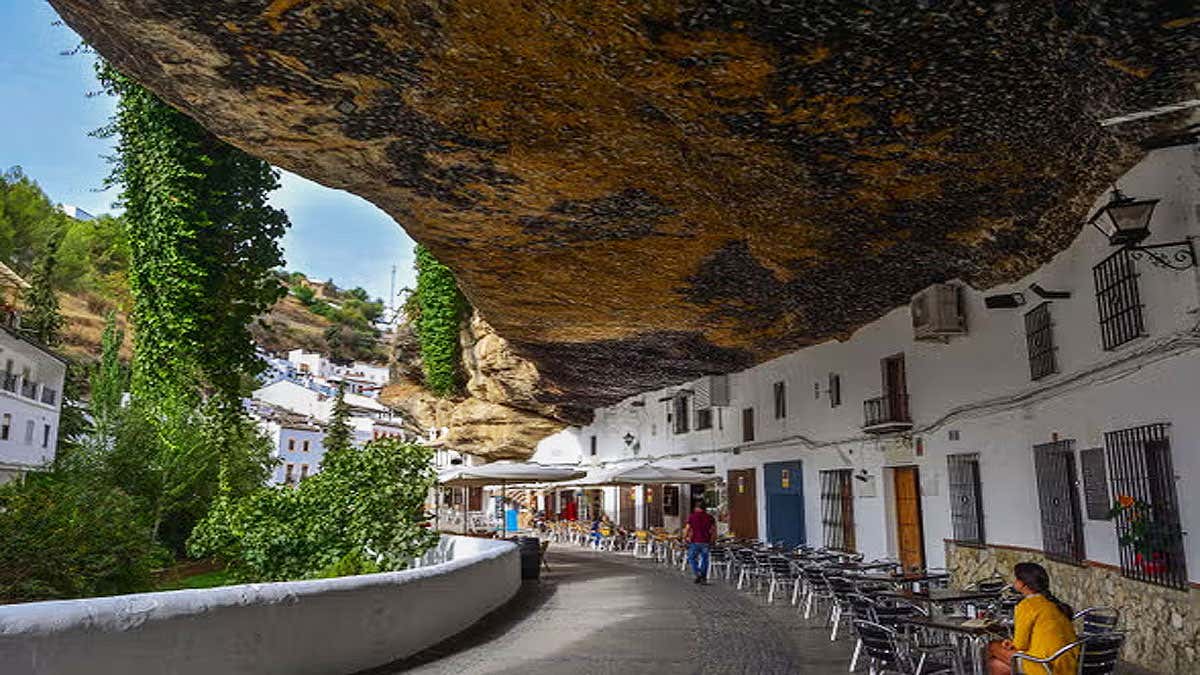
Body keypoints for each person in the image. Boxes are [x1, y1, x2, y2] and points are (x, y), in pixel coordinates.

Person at [987, 562, 1078, 675]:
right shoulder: (1054, 603)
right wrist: (1011, 643)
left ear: (1023, 584)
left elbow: (1021, 645)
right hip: (1068, 664)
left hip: (1044, 664)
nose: (1014, 581)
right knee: (996, 664)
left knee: (992, 646)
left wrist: (1012, 643)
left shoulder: (1027, 605)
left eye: (1016, 579)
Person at [683, 502, 716, 584]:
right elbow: (713, 530)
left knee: (691, 558)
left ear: (696, 508)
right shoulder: (710, 517)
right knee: (705, 559)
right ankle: (703, 577)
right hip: (706, 541)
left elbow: (687, 528)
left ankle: (698, 573)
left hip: (695, 541)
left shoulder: (692, 517)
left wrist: (685, 538)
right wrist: (713, 540)